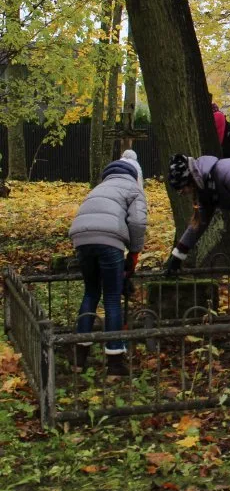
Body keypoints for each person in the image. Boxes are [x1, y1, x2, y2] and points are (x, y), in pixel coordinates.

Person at [68, 156, 148, 375]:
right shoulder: (133, 189)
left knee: (91, 292)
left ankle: (79, 357)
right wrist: (134, 251)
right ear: (135, 175)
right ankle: (115, 360)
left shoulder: (98, 188)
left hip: (81, 240)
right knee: (112, 296)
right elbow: (138, 222)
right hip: (109, 240)